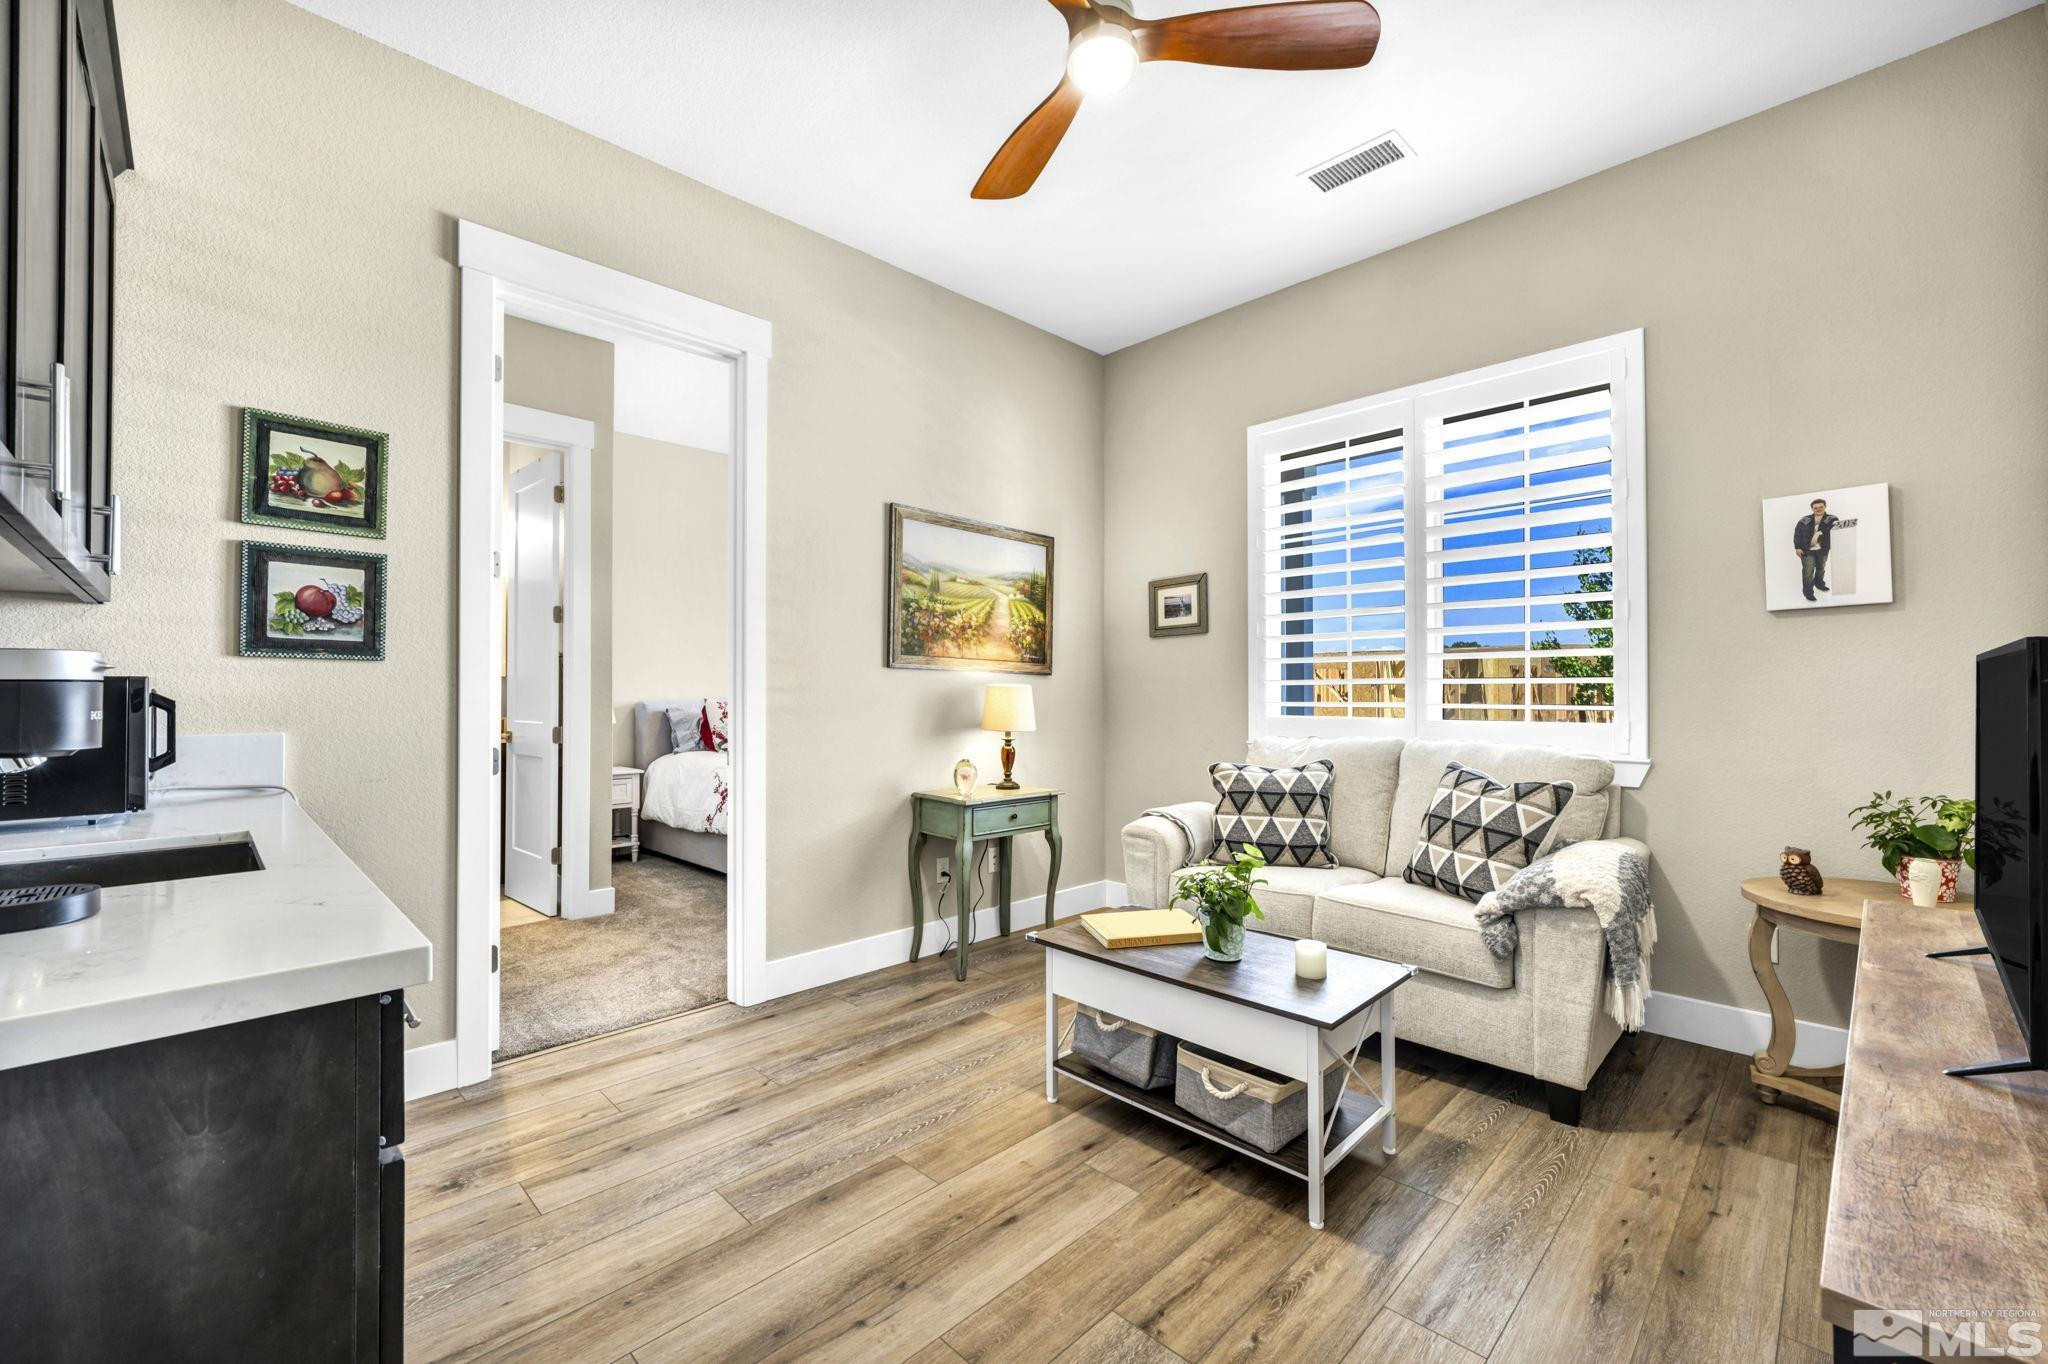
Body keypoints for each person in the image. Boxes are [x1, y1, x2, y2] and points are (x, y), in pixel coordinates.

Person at [1792, 498, 1840, 601]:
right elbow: (1797, 533)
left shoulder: (1832, 518)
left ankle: (1819, 584)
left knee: (1821, 568)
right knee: (1808, 571)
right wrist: (1797, 547)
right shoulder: (1804, 519)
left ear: (1825, 506)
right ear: (1812, 509)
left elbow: (1835, 528)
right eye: (1815, 508)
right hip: (1806, 550)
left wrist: (1819, 532)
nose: (1818, 509)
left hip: (1823, 549)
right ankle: (1808, 592)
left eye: (1821, 507)